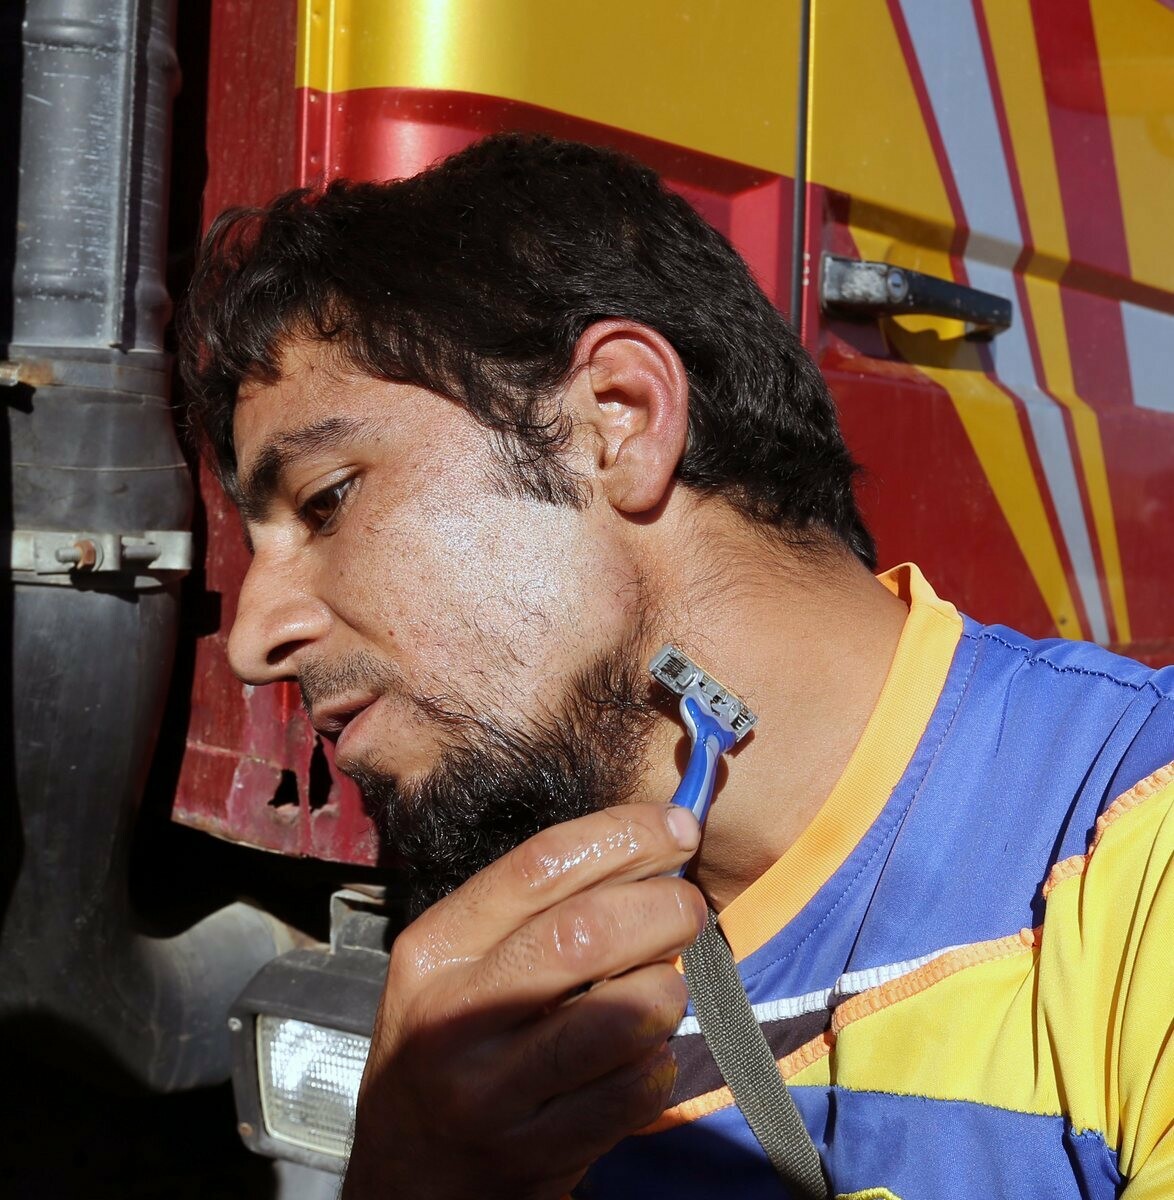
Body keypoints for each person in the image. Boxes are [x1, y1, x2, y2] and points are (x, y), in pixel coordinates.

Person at [179, 133, 1174, 1199]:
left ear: (619, 418)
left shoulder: (1132, 838)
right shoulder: (507, 1051)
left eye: (327, 500)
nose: (253, 639)